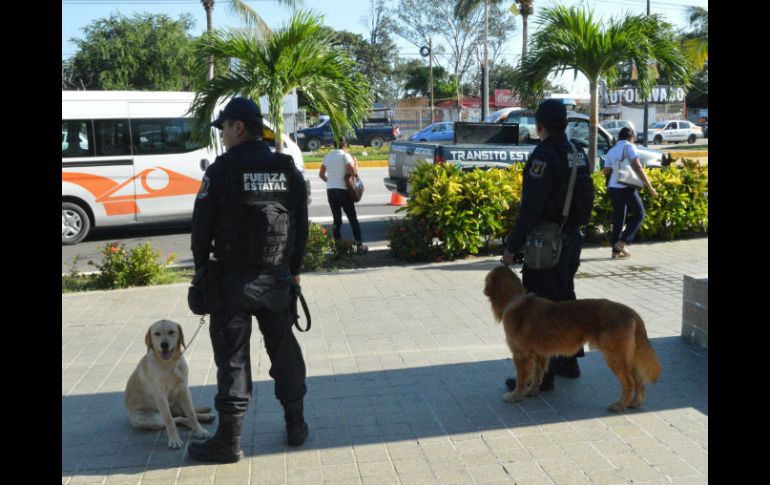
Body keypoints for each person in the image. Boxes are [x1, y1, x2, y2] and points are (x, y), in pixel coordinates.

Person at [188, 97, 310, 463]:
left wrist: (200, 270)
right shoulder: (285, 167)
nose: (222, 135)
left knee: (233, 362)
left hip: (232, 284)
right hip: (276, 281)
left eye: (223, 127)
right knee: (284, 353)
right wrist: (295, 271)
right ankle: (296, 426)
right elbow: (300, 226)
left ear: (238, 127)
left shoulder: (221, 170)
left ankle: (228, 442)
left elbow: (200, 228)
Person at [501, 99, 595, 393]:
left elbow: (531, 208)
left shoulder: (543, 156)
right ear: (565, 124)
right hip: (572, 239)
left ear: (539, 125)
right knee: (565, 300)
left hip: (546, 243)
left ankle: (541, 376)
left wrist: (512, 246)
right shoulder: (577, 153)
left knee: (540, 310)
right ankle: (568, 361)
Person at [602, 127, 657, 259]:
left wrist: (616, 167)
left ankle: (615, 251)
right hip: (626, 187)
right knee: (640, 214)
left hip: (613, 188)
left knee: (619, 219)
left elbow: (606, 171)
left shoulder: (612, 150)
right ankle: (622, 242)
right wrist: (649, 186)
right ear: (630, 137)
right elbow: (637, 167)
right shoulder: (630, 147)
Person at [319, 137, 368, 255]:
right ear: (344, 145)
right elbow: (353, 172)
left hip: (331, 191)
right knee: (352, 218)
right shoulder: (345, 155)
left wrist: (331, 182)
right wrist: (356, 164)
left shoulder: (327, 156)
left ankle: (337, 246)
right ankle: (359, 245)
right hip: (343, 191)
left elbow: (321, 174)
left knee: (337, 219)